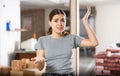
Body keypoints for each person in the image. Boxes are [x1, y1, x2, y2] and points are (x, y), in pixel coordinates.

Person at [31, 6, 98, 76]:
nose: (59, 23)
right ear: (50, 22)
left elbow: (94, 43)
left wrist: (84, 21)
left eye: (62, 20)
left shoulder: (72, 38)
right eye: (56, 20)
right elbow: (40, 68)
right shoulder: (42, 40)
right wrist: (41, 62)